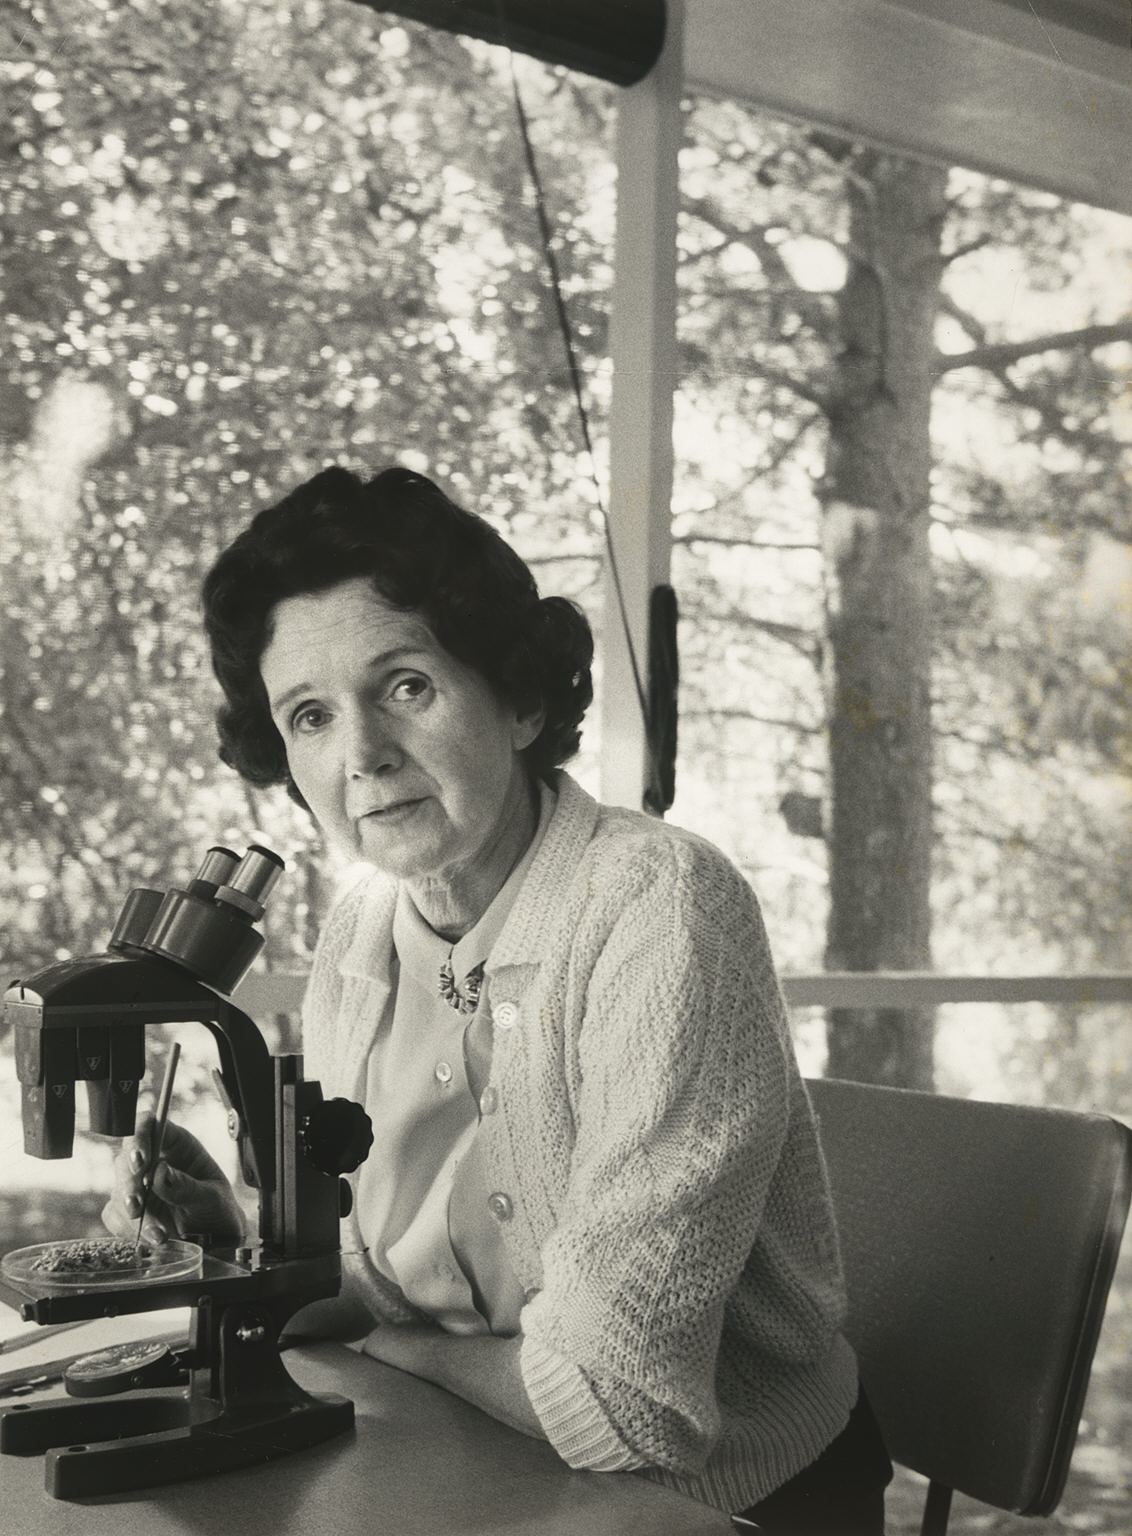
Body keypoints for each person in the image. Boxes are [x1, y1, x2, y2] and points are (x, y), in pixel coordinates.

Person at [103, 465, 892, 1532]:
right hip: (483, 1459)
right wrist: (241, 1256)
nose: (364, 756)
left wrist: (394, 1350)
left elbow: (625, 1414)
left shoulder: (658, 908)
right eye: (311, 716)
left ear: (519, 699)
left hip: (731, 1501)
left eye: (407, 686)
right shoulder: (358, 937)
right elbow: (387, 1273)